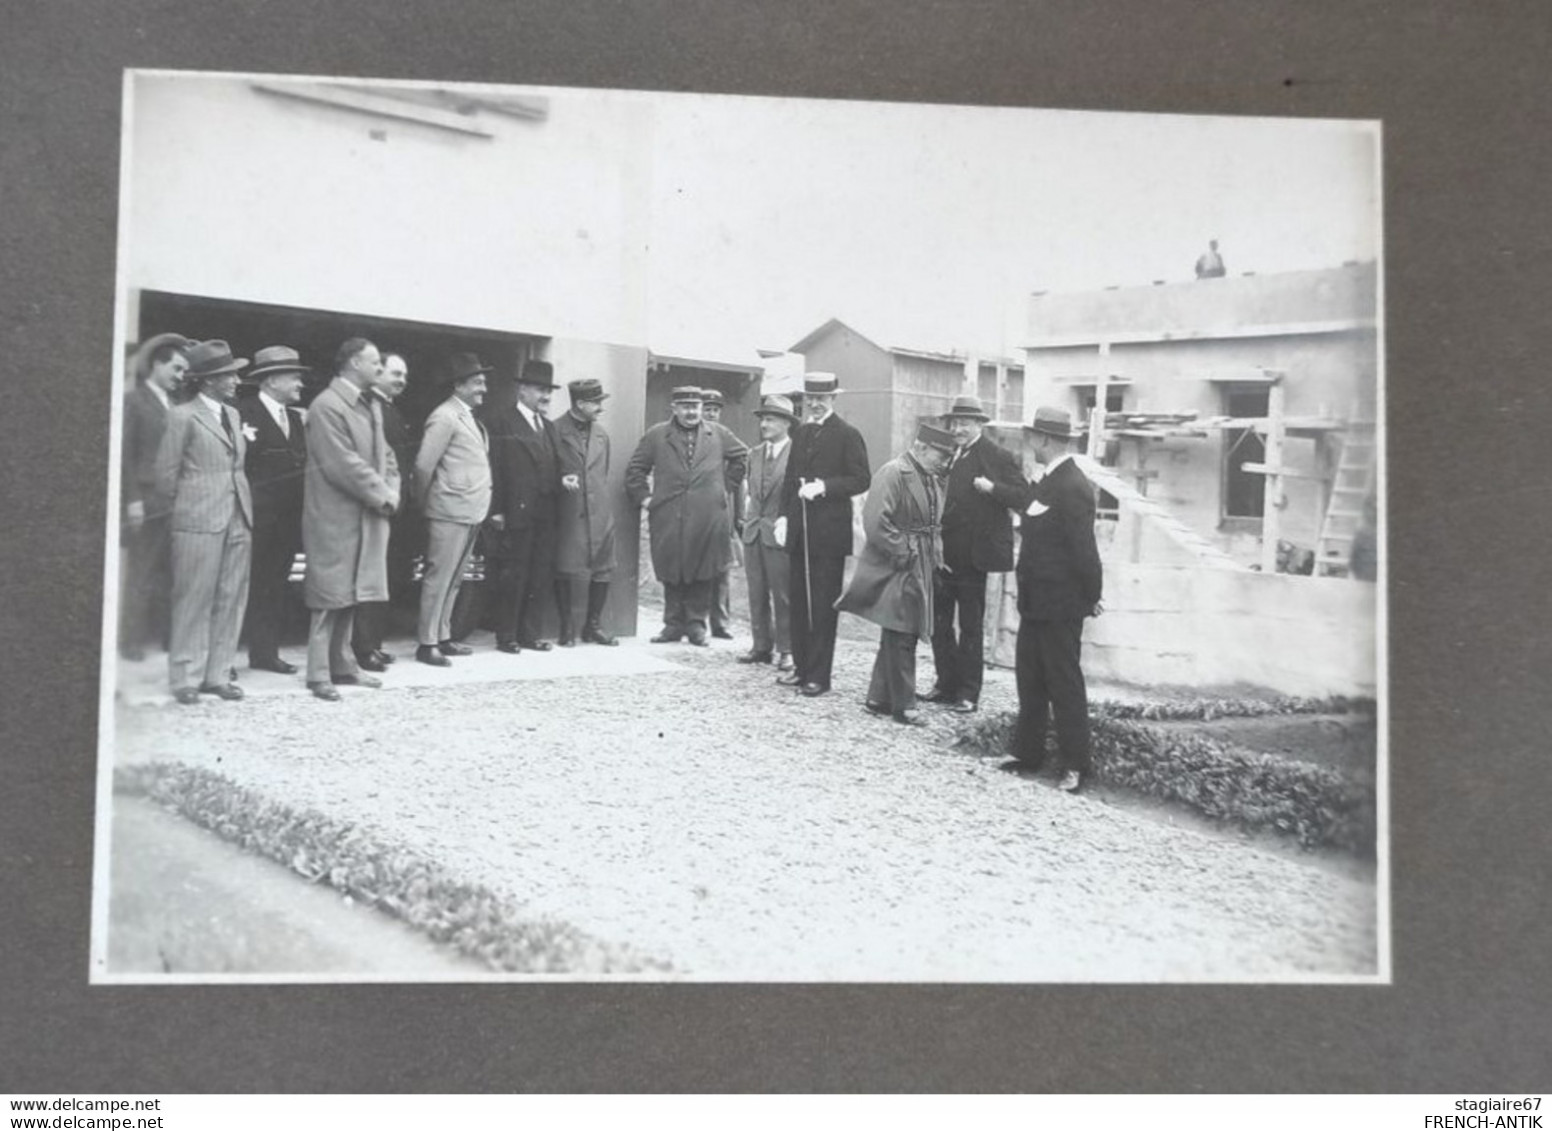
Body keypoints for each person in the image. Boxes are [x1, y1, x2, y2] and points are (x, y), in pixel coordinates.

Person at [975, 406, 1103, 792]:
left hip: (1061, 604)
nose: (1030, 443)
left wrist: (1092, 595)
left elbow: (1084, 550)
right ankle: (1026, 754)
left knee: (1064, 682)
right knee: (1030, 679)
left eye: (1033, 436)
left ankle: (1076, 765)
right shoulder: (1046, 481)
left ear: (1045, 439)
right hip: (1035, 601)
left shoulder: (1072, 486)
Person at [153, 340, 254, 705]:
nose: (236, 381)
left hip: (238, 517)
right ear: (209, 380)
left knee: (231, 597)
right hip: (198, 520)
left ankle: (217, 674)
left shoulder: (234, 415)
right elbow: (166, 476)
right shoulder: (182, 415)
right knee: (193, 598)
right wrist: (184, 514)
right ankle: (185, 676)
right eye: (229, 375)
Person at [300, 338, 400, 701]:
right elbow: (342, 463)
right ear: (355, 364)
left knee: (353, 593)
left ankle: (343, 666)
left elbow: (386, 455)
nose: (380, 369)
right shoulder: (327, 406)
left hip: (366, 514)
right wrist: (384, 494)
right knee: (329, 595)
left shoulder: (368, 404)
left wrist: (393, 487)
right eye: (375, 363)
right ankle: (318, 674)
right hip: (334, 516)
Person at [837, 422, 955, 726]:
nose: (945, 462)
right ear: (921, 448)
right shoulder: (893, 473)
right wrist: (905, 552)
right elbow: (875, 521)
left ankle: (878, 698)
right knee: (903, 630)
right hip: (898, 563)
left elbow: (933, 524)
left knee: (898, 628)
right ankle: (904, 704)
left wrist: (934, 554)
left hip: (920, 561)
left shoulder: (930, 477)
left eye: (948, 456)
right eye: (940, 455)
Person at [925, 394, 1024, 714]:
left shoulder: (997, 455)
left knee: (970, 625)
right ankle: (946, 683)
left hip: (973, 556)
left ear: (980, 424)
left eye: (966, 423)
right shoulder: (953, 454)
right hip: (944, 554)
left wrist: (992, 489)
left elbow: (1023, 495)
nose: (959, 429)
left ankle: (969, 693)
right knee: (938, 622)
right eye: (955, 423)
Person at [626, 386, 748, 645]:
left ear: (702, 408)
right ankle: (672, 625)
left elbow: (741, 458)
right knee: (671, 569)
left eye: (696, 406)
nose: (691, 412)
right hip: (669, 514)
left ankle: (696, 626)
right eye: (685, 406)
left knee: (703, 569)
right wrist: (646, 499)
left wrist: (724, 488)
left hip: (707, 516)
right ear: (675, 408)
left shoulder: (718, 434)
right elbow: (636, 470)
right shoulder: (657, 435)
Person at [778, 371, 870, 697]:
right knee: (799, 603)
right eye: (810, 398)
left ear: (833, 399)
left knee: (822, 605)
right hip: (800, 533)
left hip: (829, 536)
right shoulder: (800, 434)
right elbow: (790, 479)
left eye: (821, 398)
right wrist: (783, 518)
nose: (815, 404)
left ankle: (819, 675)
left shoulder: (848, 434)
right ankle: (801, 668)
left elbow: (861, 479)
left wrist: (825, 487)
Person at [412, 352, 493, 666]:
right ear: (458, 385)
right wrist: (424, 502)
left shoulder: (467, 416)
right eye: (477, 382)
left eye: (483, 382)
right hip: (449, 510)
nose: (483, 388)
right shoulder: (444, 416)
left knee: (455, 578)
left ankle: (443, 636)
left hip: (469, 510)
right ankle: (426, 642)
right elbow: (423, 466)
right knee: (439, 576)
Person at [237, 345, 309, 675]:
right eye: (294, 376)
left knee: (274, 585)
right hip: (253, 520)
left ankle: (264, 653)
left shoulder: (296, 418)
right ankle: (221, 658)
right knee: (239, 586)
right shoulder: (242, 413)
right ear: (272, 380)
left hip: (287, 522)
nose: (300, 383)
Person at [485, 358, 563, 653]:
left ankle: (530, 634)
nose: (545, 396)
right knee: (513, 574)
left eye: (548, 391)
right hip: (515, 511)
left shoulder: (549, 427)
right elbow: (495, 468)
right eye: (540, 389)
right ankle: (507, 636)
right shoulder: (501, 421)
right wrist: (497, 509)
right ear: (522, 391)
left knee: (540, 574)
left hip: (546, 513)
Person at [119, 332, 189, 660]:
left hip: (172, 500)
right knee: (142, 572)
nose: (180, 376)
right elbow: (125, 456)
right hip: (146, 499)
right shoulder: (134, 400)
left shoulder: (175, 404)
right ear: (157, 364)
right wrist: (132, 500)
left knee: (170, 573)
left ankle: (168, 638)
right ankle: (131, 641)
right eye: (176, 368)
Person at [352, 350, 417, 671]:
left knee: (386, 577)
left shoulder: (389, 409)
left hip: (394, 507)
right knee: (372, 578)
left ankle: (373, 643)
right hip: (379, 506)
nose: (402, 380)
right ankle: (364, 646)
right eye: (395, 373)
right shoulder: (371, 408)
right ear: (377, 374)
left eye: (404, 376)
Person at [553, 377, 619, 647]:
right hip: (569, 512)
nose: (600, 407)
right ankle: (566, 626)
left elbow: (601, 473)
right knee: (565, 567)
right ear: (580, 403)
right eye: (595, 403)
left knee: (603, 569)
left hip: (600, 512)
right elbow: (547, 468)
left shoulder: (602, 434)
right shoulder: (554, 430)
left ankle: (593, 626)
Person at [737, 394, 798, 671]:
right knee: (756, 591)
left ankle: (787, 649)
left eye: (771, 418)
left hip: (779, 533)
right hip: (753, 532)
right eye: (763, 418)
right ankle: (761, 646)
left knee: (783, 594)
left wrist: (787, 524)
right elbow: (750, 492)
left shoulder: (797, 454)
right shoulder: (754, 454)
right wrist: (746, 520)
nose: (764, 424)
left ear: (786, 423)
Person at [700, 387, 738, 639]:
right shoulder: (693, 439)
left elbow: (741, 458)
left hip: (722, 509)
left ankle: (720, 622)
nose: (712, 414)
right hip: (697, 511)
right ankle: (696, 621)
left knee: (722, 568)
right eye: (707, 409)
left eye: (715, 410)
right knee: (698, 567)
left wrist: (728, 485)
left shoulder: (725, 437)